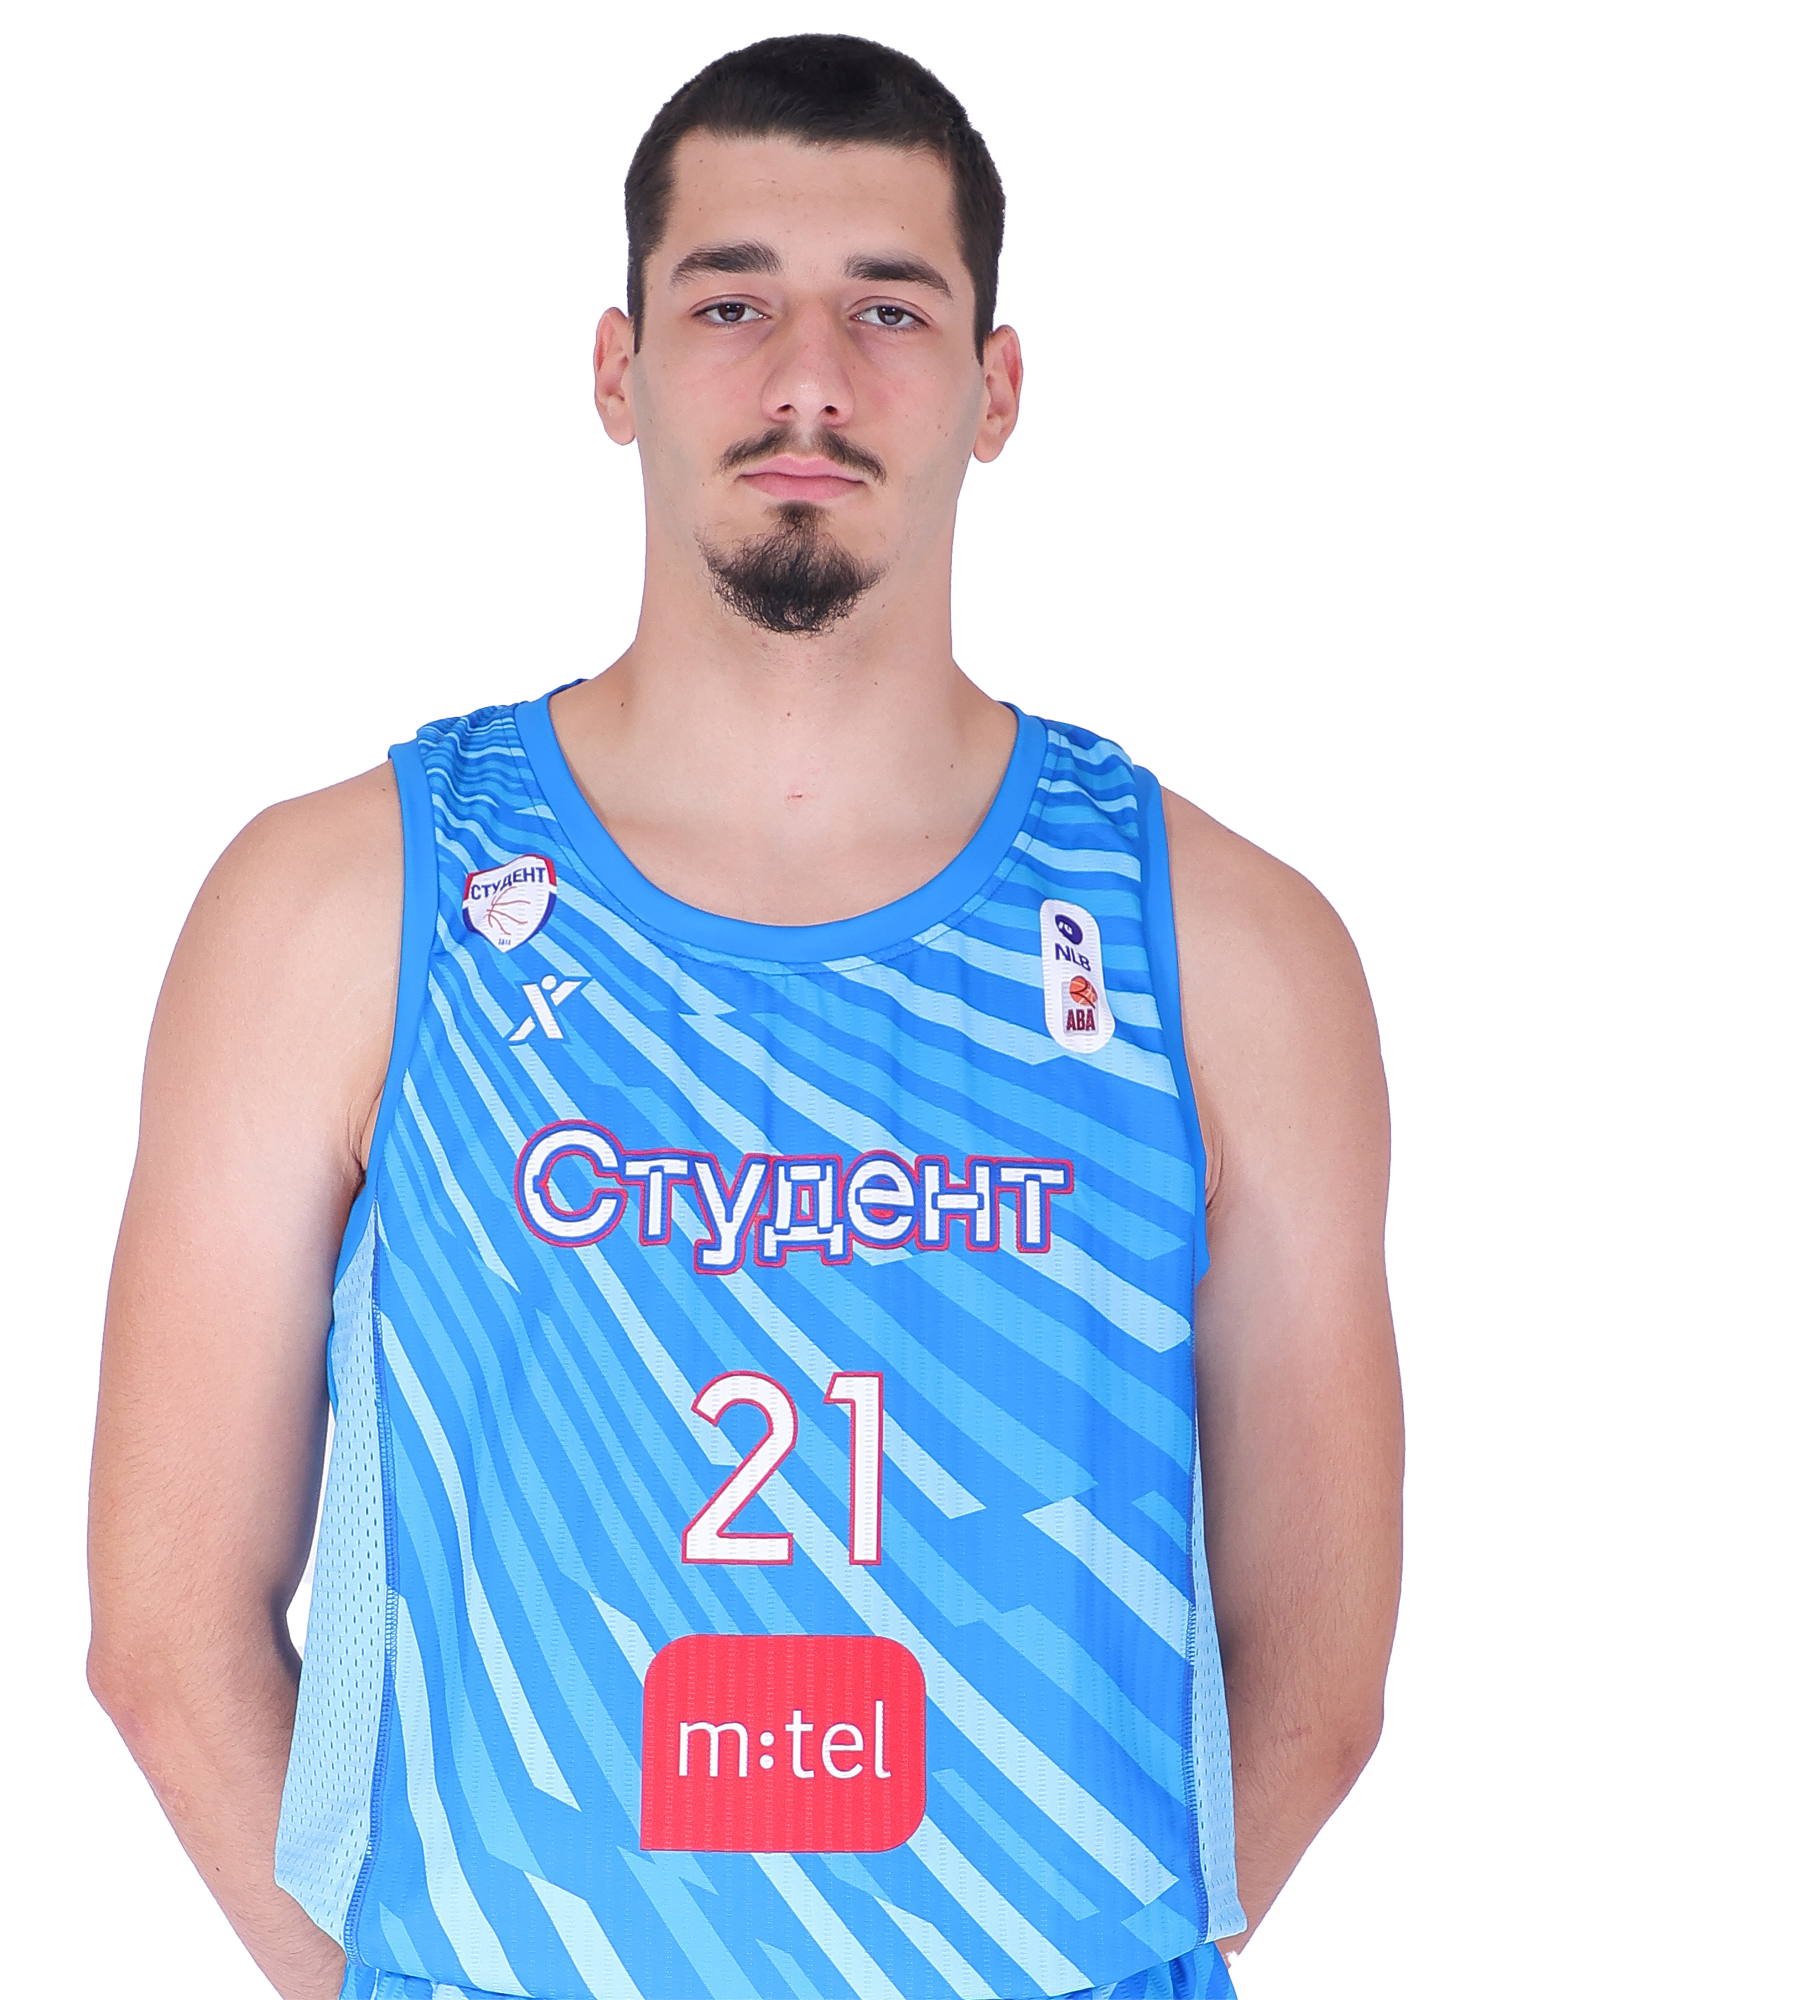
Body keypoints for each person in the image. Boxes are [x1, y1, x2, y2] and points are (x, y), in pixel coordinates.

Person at [88, 33, 1402, 2000]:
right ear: (614, 370)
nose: (809, 378)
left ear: (997, 385)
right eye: (730, 303)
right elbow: (164, 1632)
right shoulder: (341, 903)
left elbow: (1319, 1675)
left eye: (889, 307)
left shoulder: (1223, 942)